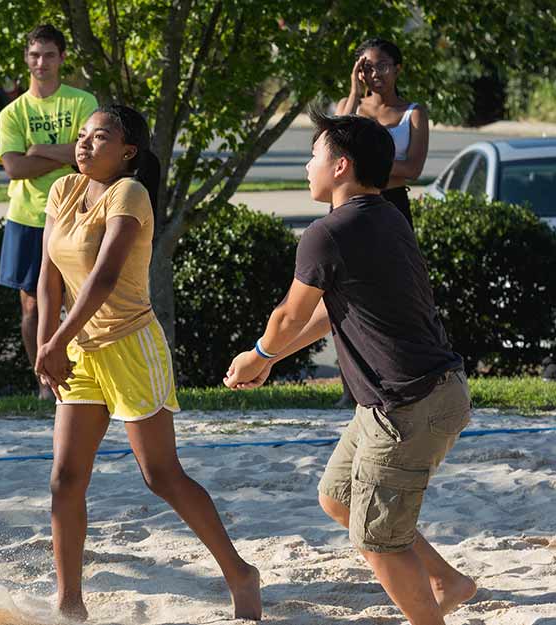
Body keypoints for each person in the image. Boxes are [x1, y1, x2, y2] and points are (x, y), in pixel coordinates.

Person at [223, 112, 476, 625]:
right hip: (416, 398)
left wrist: (258, 353)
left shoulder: (327, 233)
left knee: (379, 541)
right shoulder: (385, 217)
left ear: (341, 165)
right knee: (338, 497)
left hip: (407, 409)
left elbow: (288, 315)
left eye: (314, 155)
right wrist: (273, 360)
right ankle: (449, 581)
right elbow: (327, 317)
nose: (306, 166)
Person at [36, 104, 261, 621]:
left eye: (101, 137)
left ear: (128, 151)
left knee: (160, 475)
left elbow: (105, 278)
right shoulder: (62, 191)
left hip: (132, 346)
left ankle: (239, 572)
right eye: (83, 136)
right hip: (80, 351)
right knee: (65, 479)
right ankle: (70, 603)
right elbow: (47, 275)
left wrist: (55, 342)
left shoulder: (129, 194)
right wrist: (48, 342)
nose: (86, 144)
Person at [0, 24, 99, 399]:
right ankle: (45, 381)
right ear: (26, 58)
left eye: (49, 55)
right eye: (35, 55)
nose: (42, 62)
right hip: (26, 218)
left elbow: (88, 156)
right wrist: (65, 154)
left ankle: (82, 374)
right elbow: (13, 168)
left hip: (75, 214)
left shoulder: (81, 103)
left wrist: (38, 149)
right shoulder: (12, 112)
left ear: (62, 58)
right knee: (32, 308)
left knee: (80, 298)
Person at [334, 37, 428, 228]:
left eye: (383, 66)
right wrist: (354, 93)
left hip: (393, 203)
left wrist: (361, 163)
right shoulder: (348, 105)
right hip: (349, 202)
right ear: (359, 73)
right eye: (368, 68)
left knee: (394, 258)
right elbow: (334, 147)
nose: (375, 74)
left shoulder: (414, 113)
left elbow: (413, 169)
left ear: (397, 69)